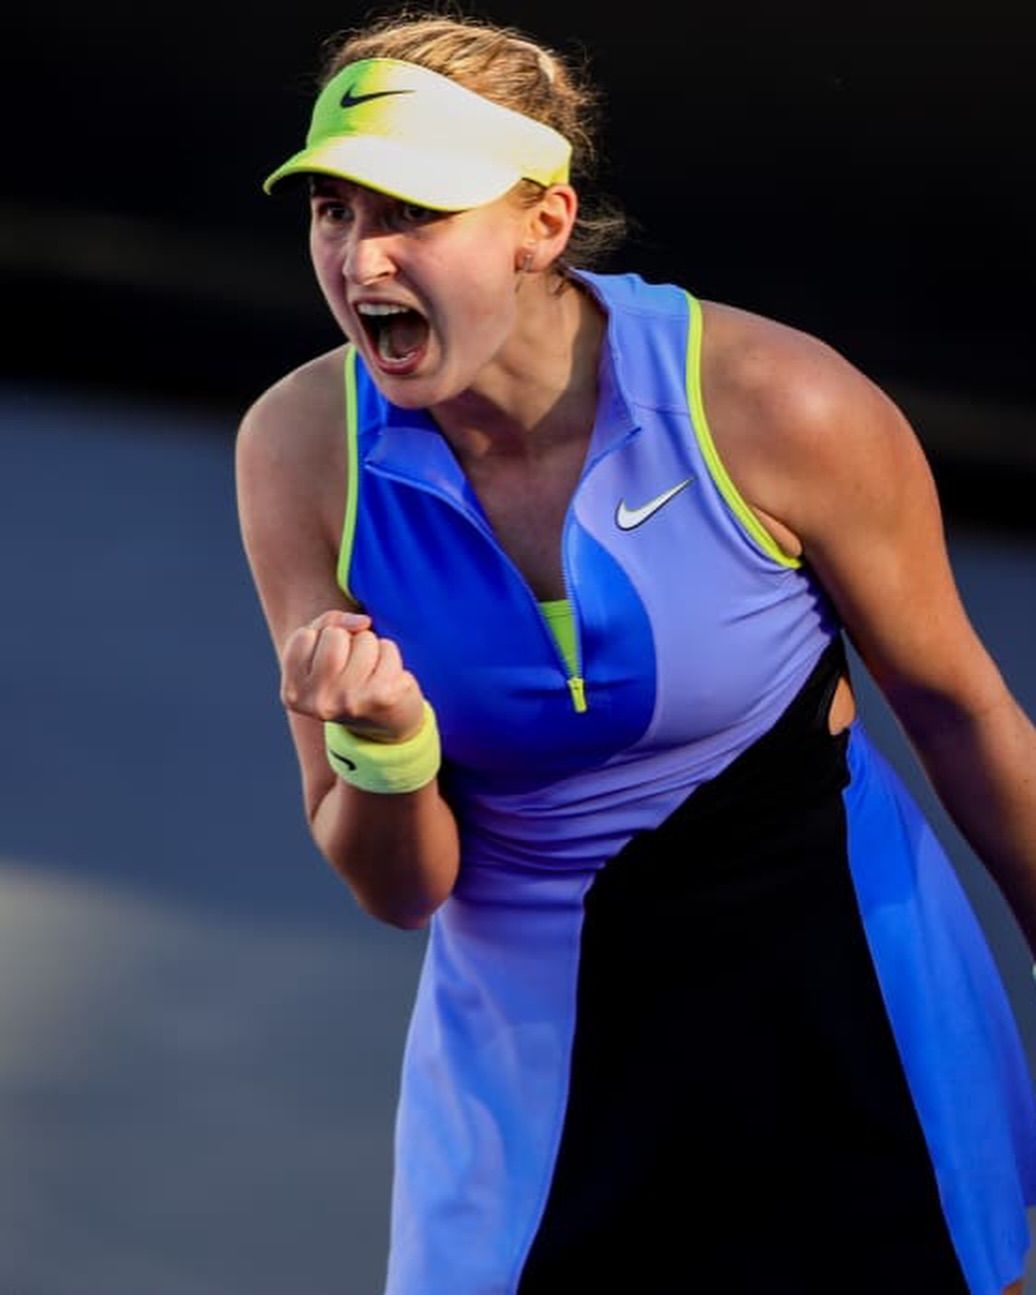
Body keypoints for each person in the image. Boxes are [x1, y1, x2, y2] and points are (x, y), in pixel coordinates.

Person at [235, 8, 1036, 1293]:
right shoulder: (300, 451)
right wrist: (383, 748)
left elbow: (962, 715)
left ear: (543, 224)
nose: (360, 257)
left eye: (411, 214)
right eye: (332, 210)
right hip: (530, 1084)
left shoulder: (782, 406)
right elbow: (398, 886)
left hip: (842, 1016)